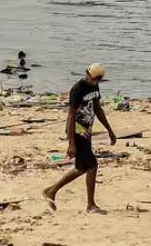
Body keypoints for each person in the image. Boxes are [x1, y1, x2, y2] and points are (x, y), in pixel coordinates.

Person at [42, 63, 117, 213]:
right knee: (92, 165)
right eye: (93, 78)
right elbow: (70, 116)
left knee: (82, 167)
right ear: (88, 74)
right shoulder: (77, 89)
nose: (94, 81)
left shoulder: (94, 87)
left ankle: (51, 191)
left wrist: (109, 130)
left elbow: (97, 109)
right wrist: (71, 143)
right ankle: (90, 205)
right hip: (77, 130)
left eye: (97, 80)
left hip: (87, 130)